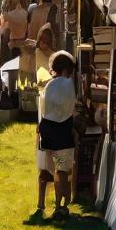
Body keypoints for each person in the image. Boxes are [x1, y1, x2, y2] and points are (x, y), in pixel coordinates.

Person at [36, 50, 77, 220]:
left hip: (48, 130)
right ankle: (61, 205)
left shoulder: (49, 85)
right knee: (62, 170)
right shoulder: (69, 84)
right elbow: (70, 108)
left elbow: (44, 110)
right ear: (68, 69)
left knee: (48, 169)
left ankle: (43, 203)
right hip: (63, 131)